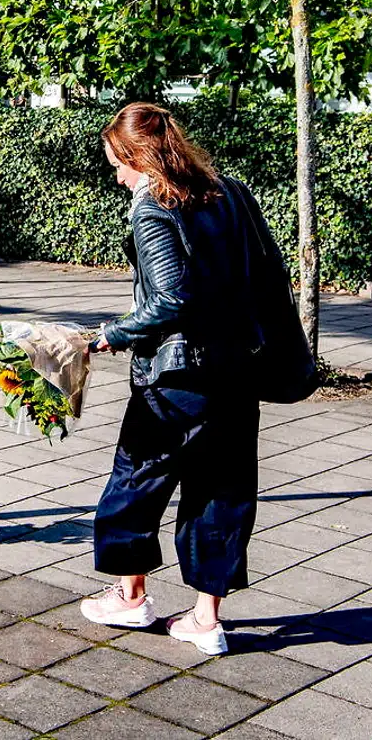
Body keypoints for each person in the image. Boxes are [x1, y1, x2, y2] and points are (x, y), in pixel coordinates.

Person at [82, 101, 273, 656]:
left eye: (119, 163)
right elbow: (263, 270)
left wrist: (112, 334)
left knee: (136, 479)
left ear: (139, 157)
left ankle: (129, 596)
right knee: (224, 490)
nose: (118, 175)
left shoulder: (153, 208)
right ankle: (206, 620)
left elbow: (171, 299)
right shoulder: (229, 192)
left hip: (179, 378)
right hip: (238, 370)